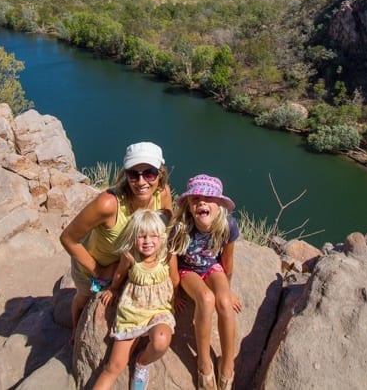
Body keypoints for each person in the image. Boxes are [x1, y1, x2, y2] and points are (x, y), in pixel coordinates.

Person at [60, 141, 173, 340]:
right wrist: (99, 271)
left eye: (149, 173)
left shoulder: (162, 193)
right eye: (133, 174)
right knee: (84, 297)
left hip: (126, 263)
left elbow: (166, 228)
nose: (141, 182)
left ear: (160, 173)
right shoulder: (108, 204)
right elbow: (68, 238)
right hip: (94, 264)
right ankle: (75, 330)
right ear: (126, 174)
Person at [169, 174, 241, 390]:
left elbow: (227, 261)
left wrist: (228, 290)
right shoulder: (182, 226)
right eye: (195, 199)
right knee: (206, 299)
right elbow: (173, 258)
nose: (202, 202)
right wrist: (175, 292)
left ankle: (228, 364)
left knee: (225, 303)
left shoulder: (228, 225)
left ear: (219, 204)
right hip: (187, 270)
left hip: (211, 267)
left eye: (208, 199)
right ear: (189, 206)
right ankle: (204, 362)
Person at [93, 209, 179, 390]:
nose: (147, 241)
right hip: (132, 313)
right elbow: (119, 274)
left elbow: (175, 278)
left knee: (161, 340)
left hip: (159, 311)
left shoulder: (167, 255)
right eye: (142, 236)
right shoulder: (130, 255)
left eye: (153, 236)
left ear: (162, 237)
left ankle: (142, 363)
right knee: (114, 366)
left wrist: (176, 297)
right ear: (133, 237)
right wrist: (114, 289)